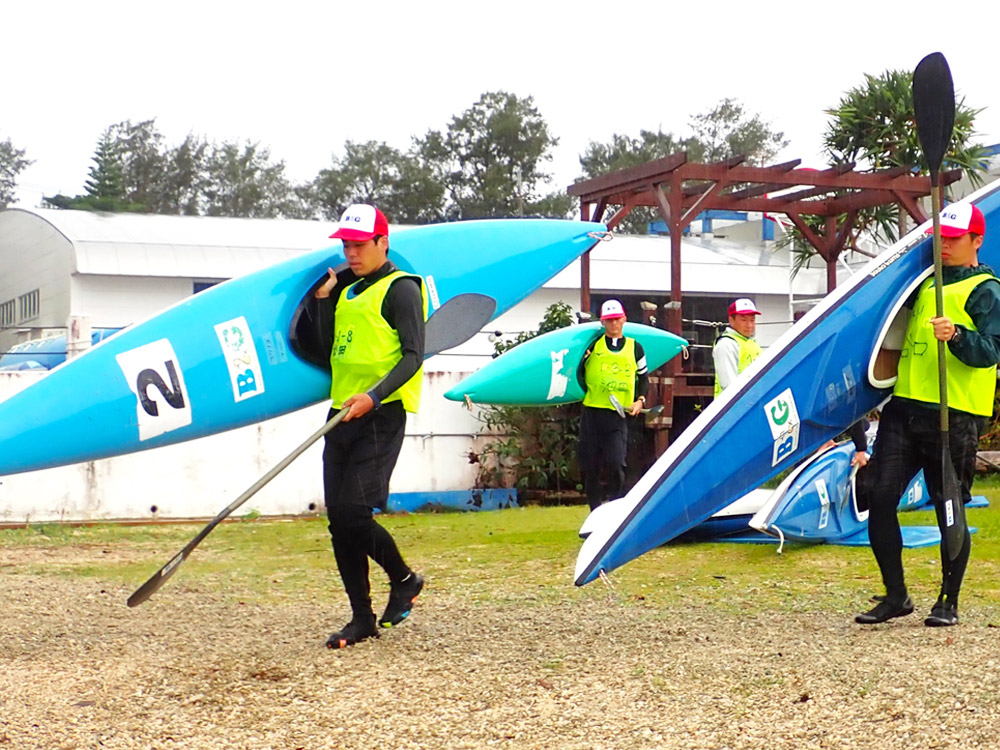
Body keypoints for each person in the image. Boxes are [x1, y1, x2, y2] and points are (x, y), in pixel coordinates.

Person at [855, 202, 1000, 627]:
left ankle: (947, 602)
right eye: (941, 239)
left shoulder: (987, 290)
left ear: (977, 241)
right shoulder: (920, 283)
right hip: (904, 410)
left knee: (948, 507)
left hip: (954, 415)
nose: (945, 246)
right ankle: (896, 595)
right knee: (879, 495)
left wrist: (956, 336)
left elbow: (992, 351)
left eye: (954, 239)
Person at [312, 204, 428, 649]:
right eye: (346, 245)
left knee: (352, 512)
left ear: (383, 242)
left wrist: (374, 397)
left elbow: (414, 356)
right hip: (340, 413)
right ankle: (362, 619)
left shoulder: (402, 289)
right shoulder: (346, 292)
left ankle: (404, 579)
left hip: (380, 413)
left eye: (359, 245)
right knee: (338, 523)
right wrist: (324, 301)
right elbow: (331, 351)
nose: (351, 253)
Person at [577, 299, 649, 511]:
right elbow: (577, 374)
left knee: (617, 464)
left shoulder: (635, 348)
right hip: (592, 414)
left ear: (624, 319)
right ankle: (594, 511)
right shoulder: (592, 346)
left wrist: (640, 400)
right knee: (592, 468)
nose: (614, 323)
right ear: (603, 322)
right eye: (609, 320)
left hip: (617, 417)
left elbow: (644, 379)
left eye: (617, 319)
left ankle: (614, 509)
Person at [713, 298, 763, 395]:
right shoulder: (726, 344)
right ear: (731, 320)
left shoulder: (751, 343)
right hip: (738, 403)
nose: (749, 325)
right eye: (743, 320)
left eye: (752, 320)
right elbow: (729, 386)